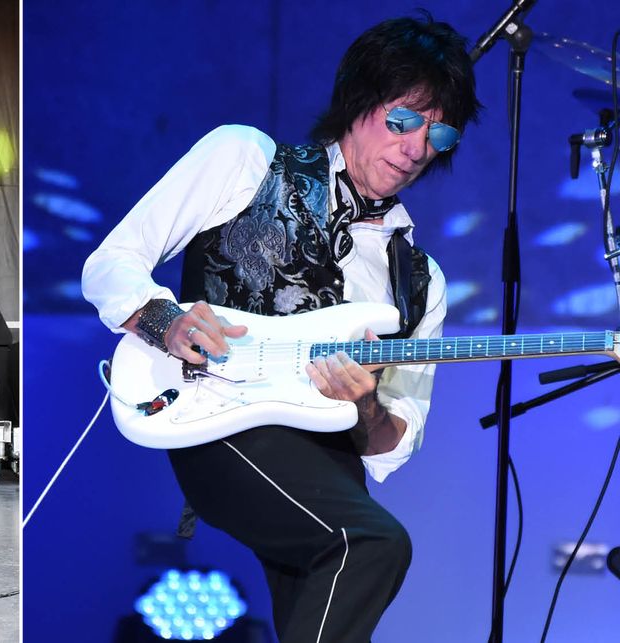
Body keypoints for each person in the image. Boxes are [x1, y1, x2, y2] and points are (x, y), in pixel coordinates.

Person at [81, 14, 480, 643]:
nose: (415, 149)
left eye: (440, 134)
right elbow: (110, 263)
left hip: (331, 465)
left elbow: (395, 443)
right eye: (403, 120)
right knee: (372, 544)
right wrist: (167, 320)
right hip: (220, 423)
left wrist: (367, 404)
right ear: (358, 102)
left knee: (325, 606)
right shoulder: (245, 159)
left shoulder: (420, 280)